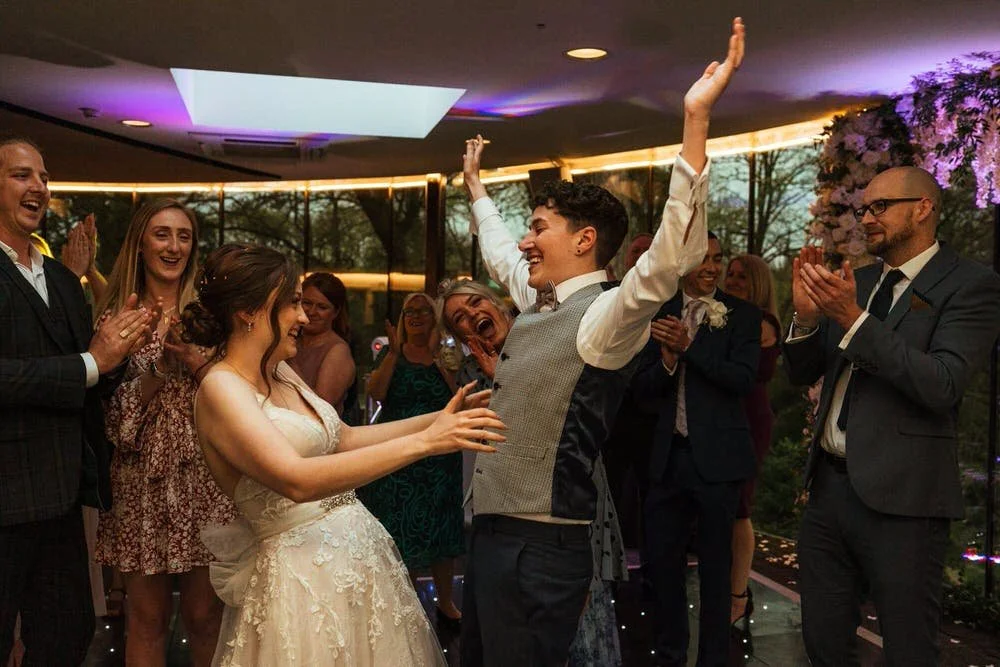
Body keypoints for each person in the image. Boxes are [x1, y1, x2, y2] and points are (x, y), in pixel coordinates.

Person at [458, 18, 745, 666]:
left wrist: (695, 121)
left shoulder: (606, 316)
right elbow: (501, 254)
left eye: (539, 227)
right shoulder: (540, 301)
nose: (526, 240)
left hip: (540, 546)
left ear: (585, 239)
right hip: (493, 534)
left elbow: (668, 259)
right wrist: (476, 191)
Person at [186, 244, 503, 665]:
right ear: (250, 311)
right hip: (301, 581)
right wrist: (427, 442)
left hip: (358, 561)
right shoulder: (220, 388)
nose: (303, 317)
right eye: (293, 303)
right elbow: (296, 479)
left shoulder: (280, 371)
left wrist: (439, 419)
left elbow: (345, 438)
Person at [784, 166, 1000, 666]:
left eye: (880, 207)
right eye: (863, 209)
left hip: (905, 502)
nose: (866, 219)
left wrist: (852, 319)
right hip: (829, 493)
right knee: (823, 643)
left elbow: (942, 383)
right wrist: (807, 319)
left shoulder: (971, 285)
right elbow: (804, 372)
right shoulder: (857, 283)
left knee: (908, 651)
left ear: (922, 209)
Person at [0, 136, 154, 665]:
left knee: (66, 636)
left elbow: (93, 375)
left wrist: (122, 351)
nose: (39, 187)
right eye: (22, 175)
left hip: (61, 498)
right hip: (4, 496)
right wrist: (93, 361)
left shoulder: (65, 282)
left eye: (44, 178)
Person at [438, 279, 628, 666]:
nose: (472, 315)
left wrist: (511, 378)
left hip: (564, 497)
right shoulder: (472, 373)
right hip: (499, 513)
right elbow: (486, 440)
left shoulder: (545, 332)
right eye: (459, 318)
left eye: (475, 303)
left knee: (576, 622)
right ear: (459, 335)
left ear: (497, 304)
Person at [93, 198, 237, 666]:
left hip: (207, 476)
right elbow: (110, 420)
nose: (174, 246)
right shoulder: (117, 317)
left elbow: (237, 394)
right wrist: (159, 367)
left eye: (184, 236)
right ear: (140, 244)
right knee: (147, 620)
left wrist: (194, 361)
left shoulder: (212, 316)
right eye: (162, 234)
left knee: (206, 617)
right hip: (141, 483)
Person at [633, 231, 760, 667]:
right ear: (681, 263)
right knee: (662, 568)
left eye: (717, 259)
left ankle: (713, 659)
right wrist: (667, 362)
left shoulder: (742, 316)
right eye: (703, 259)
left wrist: (689, 347)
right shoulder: (657, 312)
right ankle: (670, 655)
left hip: (718, 461)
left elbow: (742, 379)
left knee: (715, 569)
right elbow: (640, 389)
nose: (712, 267)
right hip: (667, 460)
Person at [358, 292, 464, 627]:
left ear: (435, 317)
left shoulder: (447, 353)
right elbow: (376, 393)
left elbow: (460, 396)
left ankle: (445, 601)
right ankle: (405, 604)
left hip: (441, 457)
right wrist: (392, 352)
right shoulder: (393, 353)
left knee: (442, 527)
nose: (416, 316)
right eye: (409, 311)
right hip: (400, 453)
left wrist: (437, 356)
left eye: (423, 311)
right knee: (403, 528)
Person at [721, 253, 781, 629]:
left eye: (742, 276)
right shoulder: (725, 316)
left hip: (748, 419)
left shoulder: (761, 322)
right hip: (722, 418)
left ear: (758, 283)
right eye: (730, 274)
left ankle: (738, 596)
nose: (733, 281)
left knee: (739, 508)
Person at [288, 272, 357, 419]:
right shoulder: (291, 341)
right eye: (307, 303)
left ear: (336, 312)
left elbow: (321, 408)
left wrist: (289, 359)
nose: (312, 312)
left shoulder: (337, 351)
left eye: (322, 307)